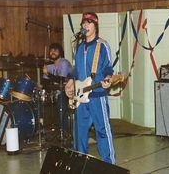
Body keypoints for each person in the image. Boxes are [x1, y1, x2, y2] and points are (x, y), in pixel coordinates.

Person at [65, 12, 116, 164]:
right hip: (80, 98)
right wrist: (69, 83)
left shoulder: (102, 45)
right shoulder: (79, 47)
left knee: (102, 131)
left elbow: (108, 68)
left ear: (96, 26)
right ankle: (81, 162)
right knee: (79, 132)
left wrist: (108, 79)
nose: (85, 25)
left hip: (97, 95)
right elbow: (77, 71)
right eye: (84, 23)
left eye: (89, 23)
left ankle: (109, 164)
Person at [43, 43, 73, 136]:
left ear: (60, 52)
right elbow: (45, 83)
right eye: (51, 50)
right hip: (56, 92)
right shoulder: (49, 66)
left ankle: (63, 132)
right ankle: (49, 129)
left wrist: (48, 74)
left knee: (60, 101)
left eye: (56, 50)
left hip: (69, 91)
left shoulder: (64, 62)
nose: (53, 52)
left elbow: (61, 80)